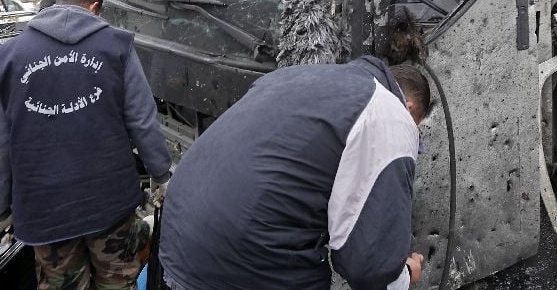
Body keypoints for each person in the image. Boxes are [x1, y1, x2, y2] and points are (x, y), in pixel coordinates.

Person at [159, 55, 431, 290]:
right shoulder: (393, 115)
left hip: (180, 236)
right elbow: (368, 265)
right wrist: (404, 275)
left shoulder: (298, 77)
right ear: (409, 109)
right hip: (247, 255)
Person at [0, 0, 172, 290]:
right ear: (94, 8)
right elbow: (143, 120)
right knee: (118, 283)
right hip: (109, 202)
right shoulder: (116, 47)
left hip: (45, 210)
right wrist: (162, 173)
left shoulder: (8, 58)